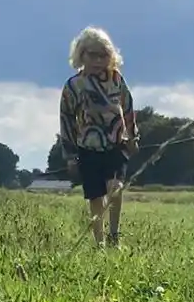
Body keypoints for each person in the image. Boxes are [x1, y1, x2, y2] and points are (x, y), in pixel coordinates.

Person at [59, 28, 139, 244]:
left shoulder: (116, 79)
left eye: (103, 55)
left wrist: (132, 136)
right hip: (88, 147)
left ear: (110, 56)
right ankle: (99, 242)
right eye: (92, 55)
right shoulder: (74, 86)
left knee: (115, 188)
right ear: (81, 55)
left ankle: (114, 236)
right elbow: (66, 120)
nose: (97, 60)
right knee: (95, 196)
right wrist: (70, 155)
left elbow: (128, 107)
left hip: (116, 143)